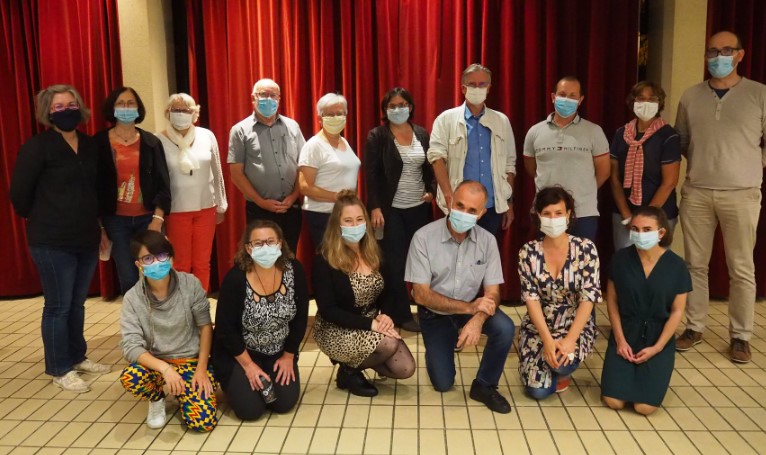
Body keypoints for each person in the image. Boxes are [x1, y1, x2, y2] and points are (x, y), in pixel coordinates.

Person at [10, 84, 111, 393]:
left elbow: (98, 190)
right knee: (58, 306)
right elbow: (19, 196)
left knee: (77, 303)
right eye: (58, 107)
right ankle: (59, 367)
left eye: (71, 104)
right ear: (48, 113)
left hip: (86, 236)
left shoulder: (90, 145)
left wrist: (101, 229)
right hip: (51, 240)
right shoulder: (37, 147)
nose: (66, 110)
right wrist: (49, 214)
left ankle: (77, 356)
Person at [674, 31, 766, 363]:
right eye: (712, 51)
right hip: (698, 191)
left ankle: (741, 335)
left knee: (741, 267)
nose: (718, 57)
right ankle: (694, 327)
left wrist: (749, 166)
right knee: (695, 265)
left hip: (742, 194)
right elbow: (682, 141)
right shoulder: (691, 96)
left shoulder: (759, 94)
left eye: (726, 50)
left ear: (740, 54)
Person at [406, 180, 515, 414]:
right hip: (435, 313)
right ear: (450, 202)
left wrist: (477, 319)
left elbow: (493, 293)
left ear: (481, 214)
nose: (464, 213)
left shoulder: (487, 241)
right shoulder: (423, 237)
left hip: (471, 309)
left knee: (505, 328)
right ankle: (437, 349)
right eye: (460, 205)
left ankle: (485, 385)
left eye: (472, 210)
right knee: (443, 383)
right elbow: (421, 295)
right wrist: (470, 309)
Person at [312, 190, 416, 397]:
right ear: (337, 224)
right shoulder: (324, 259)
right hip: (336, 327)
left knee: (405, 368)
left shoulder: (375, 251)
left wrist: (385, 316)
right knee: (389, 344)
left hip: (370, 321)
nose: (355, 225)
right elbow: (328, 309)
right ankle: (348, 371)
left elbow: (389, 292)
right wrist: (372, 325)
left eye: (359, 219)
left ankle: (354, 364)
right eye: (348, 221)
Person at [119, 231, 217, 432]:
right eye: (148, 258)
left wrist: (201, 369)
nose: (156, 262)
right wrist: (165, 369)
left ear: (171, 258)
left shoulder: (190, 284)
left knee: (202, 423)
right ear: (139, 264)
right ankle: (157, 398)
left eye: (162, 256)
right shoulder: (132, 298)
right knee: (131, 376)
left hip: (190, 360)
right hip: (157, 364)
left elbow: (206, 326)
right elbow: (130, 347)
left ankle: (185, 394)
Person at [212, 220, 309, 420]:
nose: (265, 247)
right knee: (251, 411)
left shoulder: (294, 270)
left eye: (270, 241)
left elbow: (300, 318)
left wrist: (289, 356)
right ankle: (236, 382)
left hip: (279, 351)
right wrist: (248, 365)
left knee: (284, 403)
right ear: (248, 249)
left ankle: (265, 377)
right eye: (258, 243)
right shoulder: (235, 279)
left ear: (280, 244)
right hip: (241, 354)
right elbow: (225, 330)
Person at [601, 206, 690, 415]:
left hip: (658, 337)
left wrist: (658, 347)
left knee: (644, 407)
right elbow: (612, 302)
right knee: (614, 401)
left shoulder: (677, 266)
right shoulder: (620, 260)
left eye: (647, 229)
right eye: (635, 229)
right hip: (626, 332)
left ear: (661, 232)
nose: (640, 234)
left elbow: (677, 311)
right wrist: (620, 340)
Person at [517, 187, 600, 400]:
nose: (553, 219)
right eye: (547, 214)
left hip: (574, 324)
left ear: (569, 214)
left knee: (561, 364)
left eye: (558, 213)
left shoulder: (586, 248)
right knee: (537, 392)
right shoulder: (528, 252)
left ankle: (559, 372)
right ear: (538, 216)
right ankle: (542, 370)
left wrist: (570, 340)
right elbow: (531, 299)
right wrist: (547, 340)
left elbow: (589, 298)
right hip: (540, 326)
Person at [363, 87, 435, 332]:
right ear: (385, 110)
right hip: (389, 210)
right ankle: (400, 314)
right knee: (394, 263)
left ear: (410, 107)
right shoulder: (378, 136)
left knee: (421, 260)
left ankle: (424, 306)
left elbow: (430, 168)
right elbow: (371, 174)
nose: (397, 109)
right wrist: (375, 207)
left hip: (419, 209)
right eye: (392, 106)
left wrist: (431, 190)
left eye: (402, 104)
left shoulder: (422, 134)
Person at [96, 86, 171, 294]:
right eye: (121, 103)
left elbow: (163, 185)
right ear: (112, 108)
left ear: (138, 108)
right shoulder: (99, 143)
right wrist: (100, 227)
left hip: (148, 218)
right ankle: (135, 313)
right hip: (115, 221)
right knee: (128, 276)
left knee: (156, 272)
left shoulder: (151, 142)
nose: (126, 107)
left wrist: (157, 220)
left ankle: (159, 312)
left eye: (131, 103)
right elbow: (93, 189)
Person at [428, 64, 516, 235]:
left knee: (485, 250)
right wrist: (448, 195)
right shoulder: (445, 119)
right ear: (463, 88)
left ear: (489, 88)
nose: (477, 88)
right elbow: (436, 158)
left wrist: (509, 202)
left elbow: (509, 165)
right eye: (472, 84)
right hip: (458, 206)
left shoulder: (501, 121)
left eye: (482, 84)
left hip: (492, 206)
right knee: (454, 248)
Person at [523, 76, 610, 242]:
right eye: (562, 94)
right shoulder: (535, 132)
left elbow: (604, 171)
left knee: (582, 258)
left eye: (572, 96)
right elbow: (531, 168)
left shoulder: (594, 131)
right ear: (553, 97)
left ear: (580, 100)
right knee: (545, 258)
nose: (567, 99)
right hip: (546, 212)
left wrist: (584, 188)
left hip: (583, 214)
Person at [157, 93, 227, 291]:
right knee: (181, 264)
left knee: (202, 263)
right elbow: (157, 180)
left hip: (206, 207)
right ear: (168, 112)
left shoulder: (207, 135)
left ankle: (199, 304)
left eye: (186, 110)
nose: (181, 114)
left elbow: (217, 171)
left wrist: (221, 205)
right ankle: (182, 305)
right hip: (176, 210)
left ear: (195, 113)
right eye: (176, 110)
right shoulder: (158, 140)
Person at [228, 79, 306, 253]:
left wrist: (294, 196)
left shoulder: (292, 126)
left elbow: (303, 166)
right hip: (259, 209)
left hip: (291, 207)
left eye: (273, 95)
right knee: (264, 257)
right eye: (263, 94)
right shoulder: (240, 130)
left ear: (279, 98)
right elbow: (236, 174)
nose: (269, 99)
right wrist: (260, 202)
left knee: (289, 257)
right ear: (253, 98)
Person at [610, 81, 681, 250]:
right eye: (641, 98)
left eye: (652, 99)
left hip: (659, 215)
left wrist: (646, 218)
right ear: (633, 101)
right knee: (626, 262)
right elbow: (614, 178)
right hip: (624, 215)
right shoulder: (621, 134)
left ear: (659, 103)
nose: (646, 103)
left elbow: (669, 182)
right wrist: (627, 215)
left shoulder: (668, 136)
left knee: (655, 262)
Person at [298, 93, 361, 247]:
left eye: (340, 113)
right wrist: (336, 196)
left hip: (345, 213)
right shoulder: (313, 146)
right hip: (323, 215)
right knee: (329, 258)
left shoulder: (343, 141)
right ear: (320, 118)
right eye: (330, 114)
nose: (335, 118)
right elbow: (304, 186)